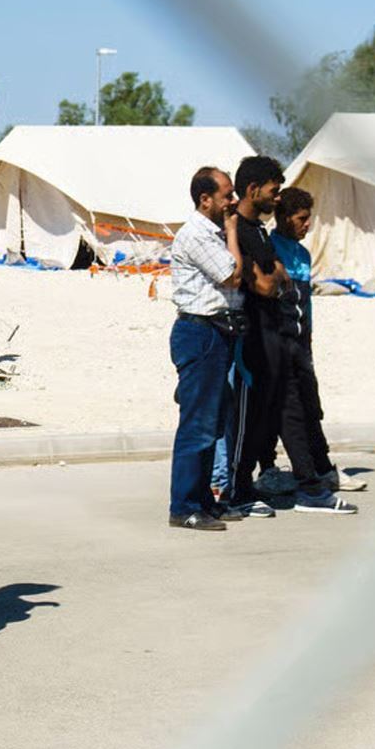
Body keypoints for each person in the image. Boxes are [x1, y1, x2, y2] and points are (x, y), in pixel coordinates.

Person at [223, 155, 351, 515]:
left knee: (292, 412)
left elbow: (278, 275)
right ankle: (239, 491)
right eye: (273, 191)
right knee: (251, 422)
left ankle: (311, 487)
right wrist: (277, 280)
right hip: (253, 342)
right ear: (253, 190)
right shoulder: (238, 232)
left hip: (278, 341)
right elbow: (265, 285)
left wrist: (277, 279)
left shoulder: (259, 232)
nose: (277, 197)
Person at [266, 188, 362, 510]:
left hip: (301, 344)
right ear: (284, 217)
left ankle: (323, 469)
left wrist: (307, 344)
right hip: (279, 344)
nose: (307, 224)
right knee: (285, 412)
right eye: (302, 218)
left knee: (311, 406)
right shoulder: (270, 249)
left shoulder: (304, 255)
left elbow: (305, 306)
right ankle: (280, 472)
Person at [166, 166, 244, 531]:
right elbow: (232, 275)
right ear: (205, 199)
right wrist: (233, 230)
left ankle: (203, 501)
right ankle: (183, 506)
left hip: (216, 333)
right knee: (196, 424)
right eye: (227, 195)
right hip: (200, 332)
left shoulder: (211, 233)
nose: (232, 202)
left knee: (211, 424)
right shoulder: (198, 234)